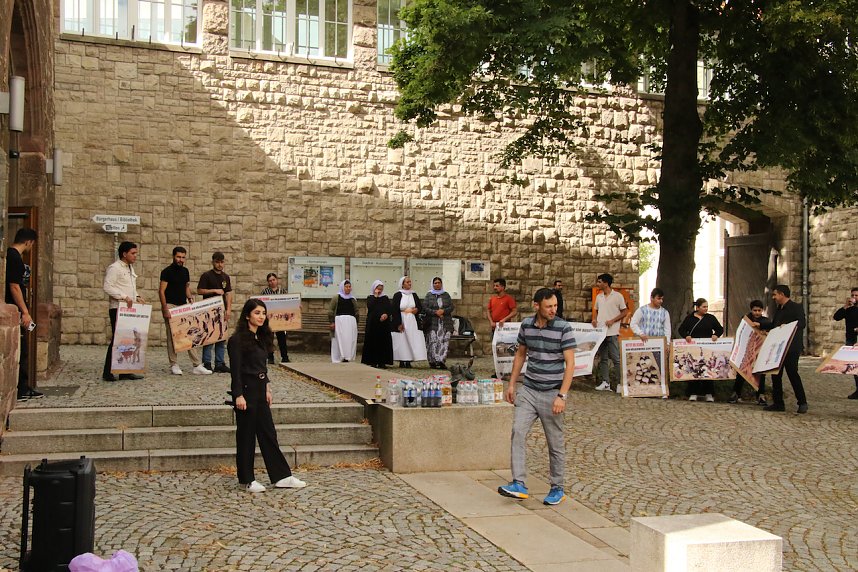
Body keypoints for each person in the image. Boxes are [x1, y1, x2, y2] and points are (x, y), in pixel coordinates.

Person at [498, 288, 575, 506]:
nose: (553, 310)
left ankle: (557, 487)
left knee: (555, 443)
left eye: (555, 306)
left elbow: (570, 364)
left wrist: (562, 395)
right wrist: (512, 384)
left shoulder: (563, 328)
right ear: (536, 306)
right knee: (518, 431)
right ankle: (519, 483)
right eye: (549, 306)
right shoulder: (527, 326)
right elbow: (521, 355)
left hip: (552, 392)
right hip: (529, 390)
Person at [228, 299, 306, 493]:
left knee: (268, 434)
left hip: (260, 389)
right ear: (247, 315)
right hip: (246, 391)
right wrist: (238, 395)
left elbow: (262, 367)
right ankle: (246, 479)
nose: (261, 316)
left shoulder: (261, 337)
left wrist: (268, 388)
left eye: (263, 313)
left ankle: (281, 476)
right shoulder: (237, 340)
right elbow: (235, 370)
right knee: (246, 436)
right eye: (257, 313)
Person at [159, 246, 212, 376]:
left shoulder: (185, 271)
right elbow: (161, 291)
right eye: (178, 257)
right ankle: (174, 364)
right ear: (173, 256)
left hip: (183, 306)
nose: (180, 259)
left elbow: (186, 287)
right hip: (171, 305)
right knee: (172, 336)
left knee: (190, 334)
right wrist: (165, 308)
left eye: (183, 257)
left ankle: (196, 365)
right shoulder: (166, 272)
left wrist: (189, 297)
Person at [5, 228, 43, 400]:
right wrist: (25, 312)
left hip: (15, 308)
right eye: (32, 244)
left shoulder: (10, 255)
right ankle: (22, 388)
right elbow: (14, 286)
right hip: (16, 309)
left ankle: (23, 387)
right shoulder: (14, 258)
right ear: (28, 242)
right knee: (23, 349)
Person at [102, 241, 146, 382]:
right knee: (117, 339)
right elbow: (108, 287)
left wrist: (136, 296)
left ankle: (125, 371)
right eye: (133, 253)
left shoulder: (129, 268)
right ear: (124, 254)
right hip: (118, 308)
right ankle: (108, 372)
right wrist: (123, 297)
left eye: (136, 253)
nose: (135, 256)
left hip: (129, 309)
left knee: (128, 339)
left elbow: (129, 286)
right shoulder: (115, 268)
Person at [761, 285, 808, 414]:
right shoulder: (779, 309)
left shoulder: (795, 307)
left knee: (793, 373)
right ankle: (778, 403)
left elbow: (802, 323)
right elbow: (773, 325)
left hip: (792, 347)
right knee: (776, 374)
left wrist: (788, 326)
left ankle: (802, 402)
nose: (774, 297)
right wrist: (760, 325)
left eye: (775, 294)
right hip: (779, 347)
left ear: (782, 294)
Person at [678, 298, 724, 402]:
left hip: (707, 348)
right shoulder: (689, 318)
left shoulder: (710, 318)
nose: (706, 309)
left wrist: (716, 335)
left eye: (707, 307)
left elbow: (720, 328)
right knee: (694, 369)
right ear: (697, 307)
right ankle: (693, 393)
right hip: (693, 348)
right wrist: (686, 336)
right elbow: (681, 329)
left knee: (707, 369)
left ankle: (709, 393)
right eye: (704, 307)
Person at [729, 300, 771, 405]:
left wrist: (760, 325)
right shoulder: (746, 319)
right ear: (751, 310)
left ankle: (760, 395)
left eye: (759, 310)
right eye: (754, 310)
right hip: (747, 351)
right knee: (742, 372)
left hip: (759, 352)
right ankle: (736, 393)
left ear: (762, 310)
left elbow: (769, 324)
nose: (757, 312)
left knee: (760, 374)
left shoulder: (765, 320)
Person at [197, 252, 233, 373]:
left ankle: (219, 362)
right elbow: (199, 290)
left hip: (221, 310)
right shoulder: (206, 275)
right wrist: (214, 291)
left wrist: (228, 309)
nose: (219, 264)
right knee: (209, 335)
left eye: (221, 262)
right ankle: (207, 362)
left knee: (221, 337)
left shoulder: (226, 277)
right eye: (217, 262)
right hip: (208, 310)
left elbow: (228, 293)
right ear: (213, 262)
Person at [592, 273, 628, 392]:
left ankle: (619, 384)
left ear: (606, 283)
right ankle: (605, 382)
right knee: (603, 358)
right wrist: (594, 319)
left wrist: (613, 320)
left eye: (600, 282)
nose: (598, 284)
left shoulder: (618, 296)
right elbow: (596, 310)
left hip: (612, 331)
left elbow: (624, 312)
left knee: (616, 358)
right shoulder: (599, 297)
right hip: (601, 332)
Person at [391, 275, 427, 368]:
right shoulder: (398, 295)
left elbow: (420, 306)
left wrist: (416, 310)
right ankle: (403, 360)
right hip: (402, 318)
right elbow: (394, 310)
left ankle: (410, 360)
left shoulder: (413, 294)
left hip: (412, 320)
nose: (409, 283)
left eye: (410, 282)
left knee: (412, 339)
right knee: (402, 340)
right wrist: (398, 323)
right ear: (402, 284)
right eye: (407, 282)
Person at [361, 280, 394, 369]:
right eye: (377, 288)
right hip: (373, 324)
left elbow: (389, 309)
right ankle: (373, 361)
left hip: (383, 324)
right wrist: (375, 296)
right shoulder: (370, 298)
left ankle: (382, 362)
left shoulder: (385, 298)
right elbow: (370, 307)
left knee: (383, 342)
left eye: (381, 289)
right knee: (373, 342)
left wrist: (386, 314)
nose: (379, 290)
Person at [833, 287, 858, 399]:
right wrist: (845, 306)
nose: (854, 297)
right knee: (853, 367)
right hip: (851, 340)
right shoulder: (849, 309)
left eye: (856, 295)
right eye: (852, 295)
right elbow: (836, 317)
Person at [423, 277, 454, 369]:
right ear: (433, 284)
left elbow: (451, 307)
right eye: (435, 283)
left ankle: (441, 361)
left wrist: (443, 311)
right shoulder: (429, 295)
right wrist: (435, 312)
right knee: (433, 341)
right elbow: (425, 307)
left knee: (445, 342)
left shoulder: (446, 295)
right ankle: (433, 361)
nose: (437, 284)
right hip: (433, 323)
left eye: (439, 283)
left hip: (445, 322)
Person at [261, 272, 290, 364]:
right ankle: (270, 357)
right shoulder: (265, 292)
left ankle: (284, 357)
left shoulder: (283, 292)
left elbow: (289, 302)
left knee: (282, 339)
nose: (272, 282)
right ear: (268, 282)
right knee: (269, 339)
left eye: (273, 280)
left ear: (276, 280)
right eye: (270, 281)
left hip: (280, 319)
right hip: (269, 319)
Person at [329, 279, 359, 363]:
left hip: (351, 322)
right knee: (339, 340)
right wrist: (331, 321)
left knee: (349, 340)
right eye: (346, 287)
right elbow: (331, 310)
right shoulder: (336, 298)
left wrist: (356, 321)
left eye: (349, 287)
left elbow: (356, 311)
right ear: (342, 287)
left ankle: (347, 357)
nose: (348, 288)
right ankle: (338, 357)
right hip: (340, 321)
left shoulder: (352, 299)